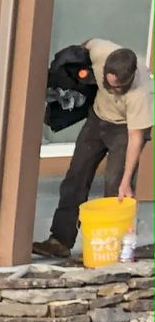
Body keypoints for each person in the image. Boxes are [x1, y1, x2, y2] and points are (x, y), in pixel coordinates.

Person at [35, 39, 151, 259]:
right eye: (109, 83)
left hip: (124, 131)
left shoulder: (141, 93)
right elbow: (82, 48)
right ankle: (59, 241)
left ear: (131, 77)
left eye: (119, 87)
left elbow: (136, 138)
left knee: (117, 189)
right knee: (75, 177)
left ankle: (113, 249)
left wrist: (127, 180)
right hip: (97, 119)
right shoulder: (100, 50)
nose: (114, 89)